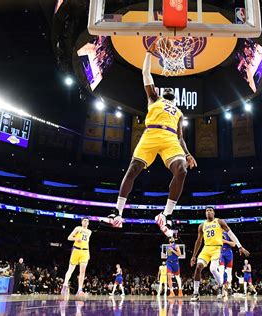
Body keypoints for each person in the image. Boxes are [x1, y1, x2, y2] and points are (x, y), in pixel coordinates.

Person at [106, 38, 197, 237]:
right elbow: (145, 73)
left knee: (182, 170)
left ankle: (166, 215)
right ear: (164, 93)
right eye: (168, 89)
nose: (170, 90)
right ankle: (118, 211)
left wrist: (188, 154)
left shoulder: (179, 112)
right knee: (133, 170)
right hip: (151, 134)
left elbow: (180, 137)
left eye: (172, 90)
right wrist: (150, 52)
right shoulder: (154, 98)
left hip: (171, 139)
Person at [190, 207, 250, 301]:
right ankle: (196, 293)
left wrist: (240, 246)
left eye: (210, 210)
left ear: (214, 213)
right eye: (206, 211)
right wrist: (193, 256)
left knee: (213, 269)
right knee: (198, 267)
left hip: (217, 248)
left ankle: (221, 286)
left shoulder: (220, 222)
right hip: (206, 249)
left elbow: (231, 234)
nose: (208, 212)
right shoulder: (202, 225)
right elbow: (198, 241)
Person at [61, 218, 92, 296]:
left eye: (87, 221)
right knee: (71, 269)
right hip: (76, 250)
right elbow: (69, 237)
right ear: (81, 222)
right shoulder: (78, 228)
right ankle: (65, 284)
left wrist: (88, 253)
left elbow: (87, 242)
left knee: (82, 272)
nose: (86, 222)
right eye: (84, 221)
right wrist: (76, 238)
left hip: (85, 252)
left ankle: (80, 290)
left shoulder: (89, 232)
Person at [220, 231, 235, 297]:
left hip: (228, 252)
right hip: (220, 252)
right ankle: (223, 290)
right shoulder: (216, 232)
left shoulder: (228, 233)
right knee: (221, 270)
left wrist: (225, 241)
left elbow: (234, 244)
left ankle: (229, 288)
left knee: (229, 273)